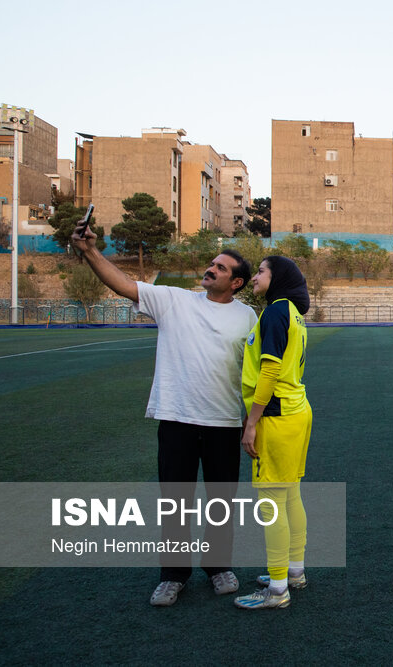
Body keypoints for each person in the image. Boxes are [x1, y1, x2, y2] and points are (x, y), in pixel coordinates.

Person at [72, 223, 256, 607]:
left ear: (237, 283)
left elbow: (255, 374)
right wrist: (90, 252)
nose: (211, 269)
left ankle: (219, 567)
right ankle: (173, 576)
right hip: (177, 419)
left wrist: (251, 423)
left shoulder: (248, 319)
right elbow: (123, 284)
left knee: (221, 502)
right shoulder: (174, 300)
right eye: (211, 263)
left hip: (223, 422)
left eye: (221, 268)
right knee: (176, 501)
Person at [235, 256, 313, 609]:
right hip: (297, 411)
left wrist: (251, 422)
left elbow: (269, 371)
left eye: (261, 271)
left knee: (272, 502)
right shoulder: (293, 313)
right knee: (291, 494)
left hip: (277, 415)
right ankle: (292, 571)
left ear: (278, 277)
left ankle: (277, 590)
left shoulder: (276, 311)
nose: (254, 277)